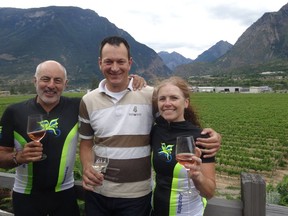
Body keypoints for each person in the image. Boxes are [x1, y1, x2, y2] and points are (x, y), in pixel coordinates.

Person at [78, 35, 221, 216]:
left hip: (137, 196)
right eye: (109, 62)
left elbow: (176, 122)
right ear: (100, 63)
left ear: (130, 63)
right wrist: (87, 168)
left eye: (120, 61)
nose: (115, 68)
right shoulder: (88, 101)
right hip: (98, 192)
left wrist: (209, 136)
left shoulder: (149, 95)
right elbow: (86, 142)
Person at [0, 59, 146, 216]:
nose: (51, 85)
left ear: (65, 84)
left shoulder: (77, 106)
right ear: (35, 81)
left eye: (57, 80)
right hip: (26, 196)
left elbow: (104, 124)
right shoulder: (13, 112)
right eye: (45, 79)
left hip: (65, 197)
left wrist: (130, 81)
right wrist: (18, 157)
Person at [150, 76, 216, 216]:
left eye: (174, 98)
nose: (167, 103)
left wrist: (198, 176)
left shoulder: (202, 138)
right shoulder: (156, 131)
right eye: (162, 99)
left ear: (186, 103)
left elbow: (209, 192)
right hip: (156, 210)